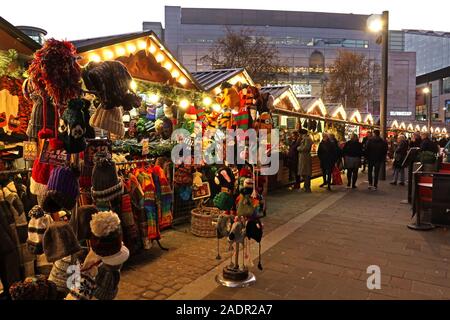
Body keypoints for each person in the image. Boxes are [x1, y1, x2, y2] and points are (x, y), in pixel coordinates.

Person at [297, 129, 313, 193]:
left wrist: (298, 148)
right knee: (304, 172)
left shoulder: (307, 139)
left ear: (301, 134)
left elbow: (306, 148)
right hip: (303, 157)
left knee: (305, 172)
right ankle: (306, 186)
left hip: (305, 157)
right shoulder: (305, 138)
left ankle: (307, 187)